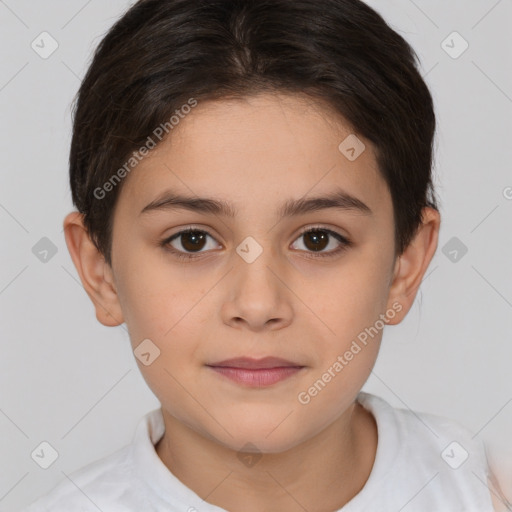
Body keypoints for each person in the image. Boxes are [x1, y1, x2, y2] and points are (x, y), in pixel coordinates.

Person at [20, 0, 510, 510]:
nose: (257, 305)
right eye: (192, 240)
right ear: (100, 271)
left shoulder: (486, 491)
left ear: (405, 266)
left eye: (318, 239)